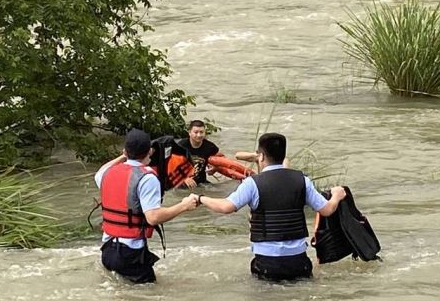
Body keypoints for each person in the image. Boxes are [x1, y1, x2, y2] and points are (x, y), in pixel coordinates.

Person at [192, 132, 347, 281]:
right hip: (298, 262)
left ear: (262, 156)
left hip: (267, 263)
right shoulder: (302, 180)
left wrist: (201, 198)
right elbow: (327, 210)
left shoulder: (252, 183)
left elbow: (226, 207)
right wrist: (337, 195)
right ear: (283, 155)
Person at [95, 128, 198, 283]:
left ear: (125, 151)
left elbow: (101, 170)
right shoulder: (147, 178)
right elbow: (153, 217)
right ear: (150, 151)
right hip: (131, 254)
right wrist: (184, 205)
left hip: (107, 251)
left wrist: (124, 156)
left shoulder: (106, 173)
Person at [176, 119, 220, 188]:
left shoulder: (211, 147)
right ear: (189, 133)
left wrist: (215, 168)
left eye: (201, 132)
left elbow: (221, 160)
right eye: (196, 132)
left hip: (201, 182)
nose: (199, 135)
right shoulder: (180, 146)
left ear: (205, 133)